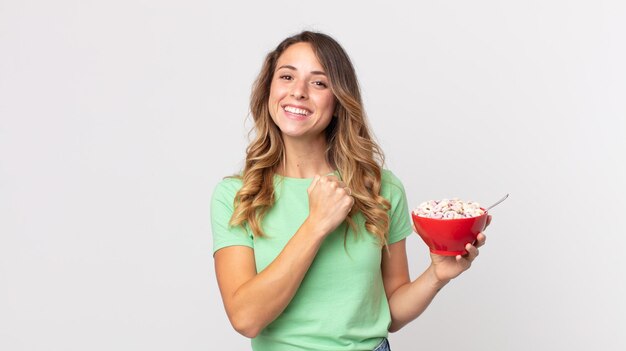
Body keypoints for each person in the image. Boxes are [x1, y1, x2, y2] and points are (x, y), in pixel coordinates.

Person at [210, 31, 489, 351]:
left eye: (318, 82)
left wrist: (437, 275)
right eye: (287, 76)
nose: (298, 92)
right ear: (268, 91)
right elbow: (246, 318)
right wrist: (316, 224)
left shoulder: (380, 188)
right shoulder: (237, 196)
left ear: (339, 102)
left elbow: (391, 313)